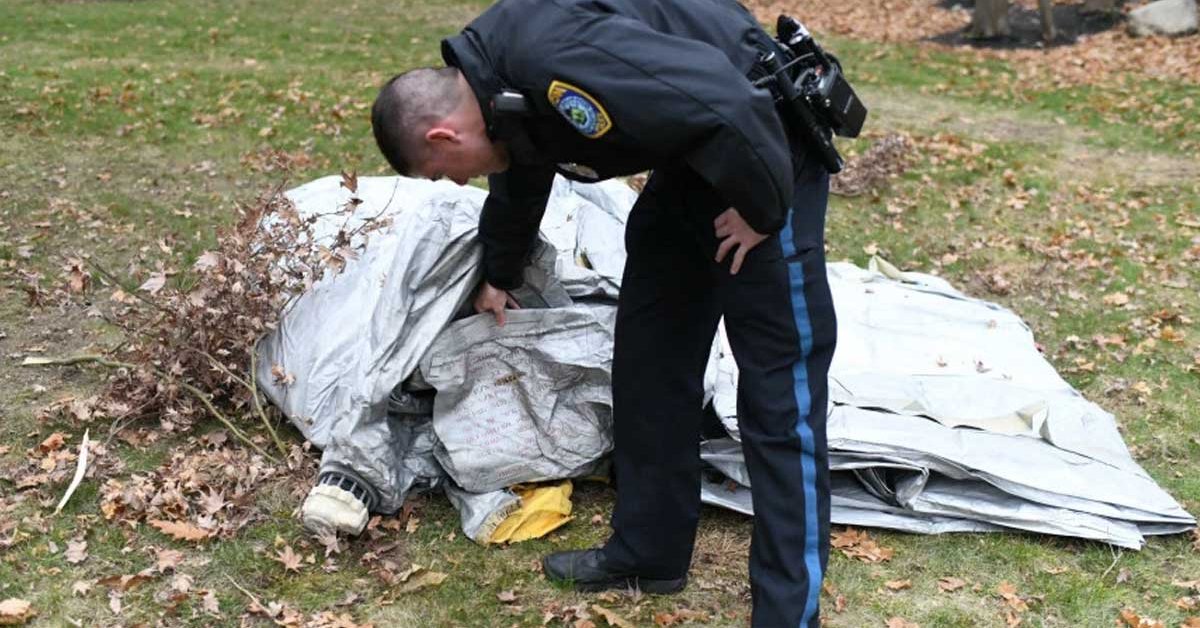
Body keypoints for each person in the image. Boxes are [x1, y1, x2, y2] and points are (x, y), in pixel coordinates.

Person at [369, 1, 836, 625]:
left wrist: (762, 208)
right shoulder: (497, 87)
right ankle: (649, 553)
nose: (454, 184)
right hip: (695, 149)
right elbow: (523, 165)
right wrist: (499, 272)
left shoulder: (550, 59)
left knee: (779, 392)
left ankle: (786, 612)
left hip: (763, 141)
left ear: (443, 137)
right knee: (649, 359)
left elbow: (729, 101)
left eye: (442, 173)